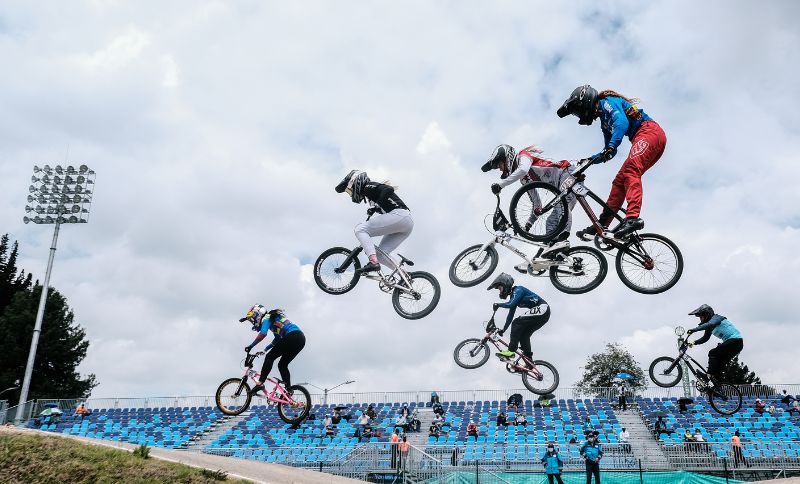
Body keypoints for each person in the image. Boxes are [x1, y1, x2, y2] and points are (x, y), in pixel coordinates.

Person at [558, 85, 667, 239]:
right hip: (645, 137)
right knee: (619, 181)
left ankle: (633, 218)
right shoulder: (604, 122)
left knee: (630, 171)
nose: (579, 115)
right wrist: (590, 160)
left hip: (649, 132)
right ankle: (602, 224)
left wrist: (611, 146)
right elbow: (608, 152)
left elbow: (621, 122)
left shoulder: (607, 102)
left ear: (585, 101)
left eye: (578, 110)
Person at [481, 144, 582, 263]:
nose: (501, 169)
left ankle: (562, 240)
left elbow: (523, 169)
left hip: (567, 173)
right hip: (560, 189)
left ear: (506, 158)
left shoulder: (523, 156)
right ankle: (553, 255)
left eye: (499, 165)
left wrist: (501, 184)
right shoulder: (524, 179)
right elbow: (537, 205)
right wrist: (526, 226)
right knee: (551, 223)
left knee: (562, 207)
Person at [335, 170, 413, 274]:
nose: (351, 194)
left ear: (356, 182)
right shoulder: (371, 196)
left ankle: (373, 262)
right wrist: (375, 208)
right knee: (380, 255)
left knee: (360, 229)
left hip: (400, 216)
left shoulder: (368, 186)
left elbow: (388, 189)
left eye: (350, 190)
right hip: (406, 224)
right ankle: (406, 276)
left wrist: (376, 206)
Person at [240, 305, 305, 396]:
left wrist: (251, 346)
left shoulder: (266, 317)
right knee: (282, 365)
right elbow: (277, 339)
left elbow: (263, 333)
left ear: (258, 315)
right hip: (300, 339)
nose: (253, 321)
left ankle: (260, 383)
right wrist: (265, 349)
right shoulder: (273, 320)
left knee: (269, 357)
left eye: (253, 318)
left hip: (292, 336)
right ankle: (289, 390)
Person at [488, 273, 550, 366]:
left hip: (542, 308)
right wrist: (503, 329)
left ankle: (510, 351)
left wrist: (499, 304)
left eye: (500, 288)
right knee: (524, 336)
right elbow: (510, 316)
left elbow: (510, 305)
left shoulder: (518, 290)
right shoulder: (513, 297)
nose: (500, 292)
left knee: (517, 322)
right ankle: (529, 361)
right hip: (542, 315)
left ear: (506, 284)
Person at [685, 304, 743, 384]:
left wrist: (694, 330)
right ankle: (718, 386)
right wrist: (694, 342)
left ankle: (707, 376)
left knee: (712, 353)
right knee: (719, 365)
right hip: (734, 345)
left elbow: (710, 324)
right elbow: (705, 338)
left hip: (735, 341)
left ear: (707, 314)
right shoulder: (709, 326)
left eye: (701, 316)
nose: (700, 319)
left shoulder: (716, 318)